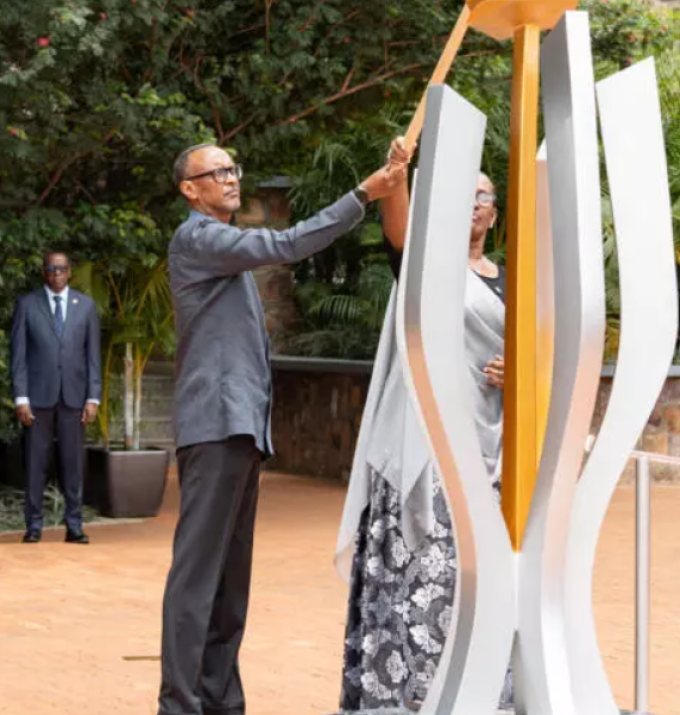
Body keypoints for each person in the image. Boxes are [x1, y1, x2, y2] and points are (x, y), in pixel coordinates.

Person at [158, 142, 406, 715]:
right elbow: (284, 244)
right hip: (215, 425)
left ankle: (221, 699)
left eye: (231, 169)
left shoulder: (225, 252)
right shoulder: (198, 238)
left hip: (240, 430)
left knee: (229, 582)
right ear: (189, 190)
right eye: (214, 172)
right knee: (198, 577)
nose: (229, 178)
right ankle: (179, 703)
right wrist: (364, 194)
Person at [335, 138, 509, 710]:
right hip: (427, 446)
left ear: (495, 211)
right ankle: (403, 692)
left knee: (481, 576)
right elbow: (400, 233)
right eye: (464, 195)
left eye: (483, 196)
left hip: (489, 449)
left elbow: (536, 356)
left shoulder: (510, 282)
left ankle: (478, 691)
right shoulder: (424, 270)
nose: (473, 205)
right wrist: (399, 178)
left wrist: (520, 374)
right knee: (421, 570)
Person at [10, 252, 101, 544]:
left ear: (69, 271)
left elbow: (93, 356)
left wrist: (94, 397)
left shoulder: (85, 306)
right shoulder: (27, 304)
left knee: (72, 464)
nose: (57, 274)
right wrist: (20, 398)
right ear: (44, 272)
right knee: (36, 464)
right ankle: (33, 526)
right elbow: (19, 355)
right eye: (51, 269)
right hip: (37, 397)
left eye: (61, 269)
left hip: (74, 398)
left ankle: (74, 526)